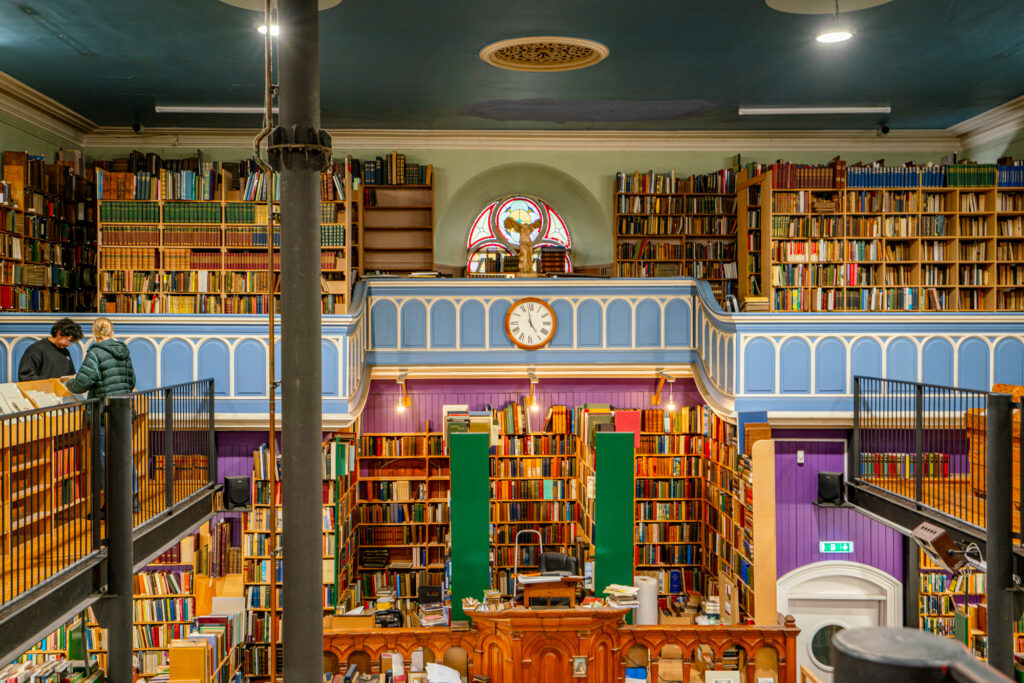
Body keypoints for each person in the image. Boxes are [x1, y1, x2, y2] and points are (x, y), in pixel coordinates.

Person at [66, 318, 138, 511]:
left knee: (105, 459)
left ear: (94, 333)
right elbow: (132, 379)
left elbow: (83, 382)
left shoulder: (95, 353)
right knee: (126, 456)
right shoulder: (124, 351)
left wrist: (68, 384)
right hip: (124, 411)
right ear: (112, 331)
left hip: (104, 413)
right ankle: (133, 498)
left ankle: (111, 504)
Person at [17, 317, 83, 381]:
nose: (69, 344)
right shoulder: (36, 349)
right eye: (69, 340)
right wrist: (50, 384)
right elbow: (25, 376)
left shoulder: (65, 352)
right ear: (59, 333)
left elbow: (70, 377)